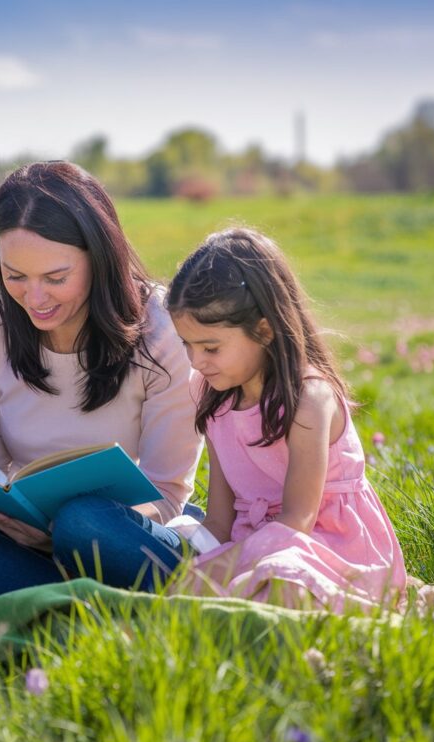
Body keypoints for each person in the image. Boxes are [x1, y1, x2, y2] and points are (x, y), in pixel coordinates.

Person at [0, 161, 204, 594]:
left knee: (84, 521)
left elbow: (167, 492)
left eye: (56, 277)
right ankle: (83, 600)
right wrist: (11, 523)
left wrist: (58, 532)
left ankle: (54, 597)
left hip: (122, 528)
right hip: (22, 537)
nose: (35, 298)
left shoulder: (161, 328)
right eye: (15, 277)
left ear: (100, 258)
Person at [165, 227, 407, 611]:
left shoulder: (308, 400)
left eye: (210, 347)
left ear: (263, 329)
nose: (196, 362)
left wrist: (223, 567)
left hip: (329, 548)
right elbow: (220, 521)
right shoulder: (212, 398)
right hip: (252, 546)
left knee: (280, 585)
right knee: (189, 585)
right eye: (186, 345)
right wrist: (196, 562)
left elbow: (298, 521)